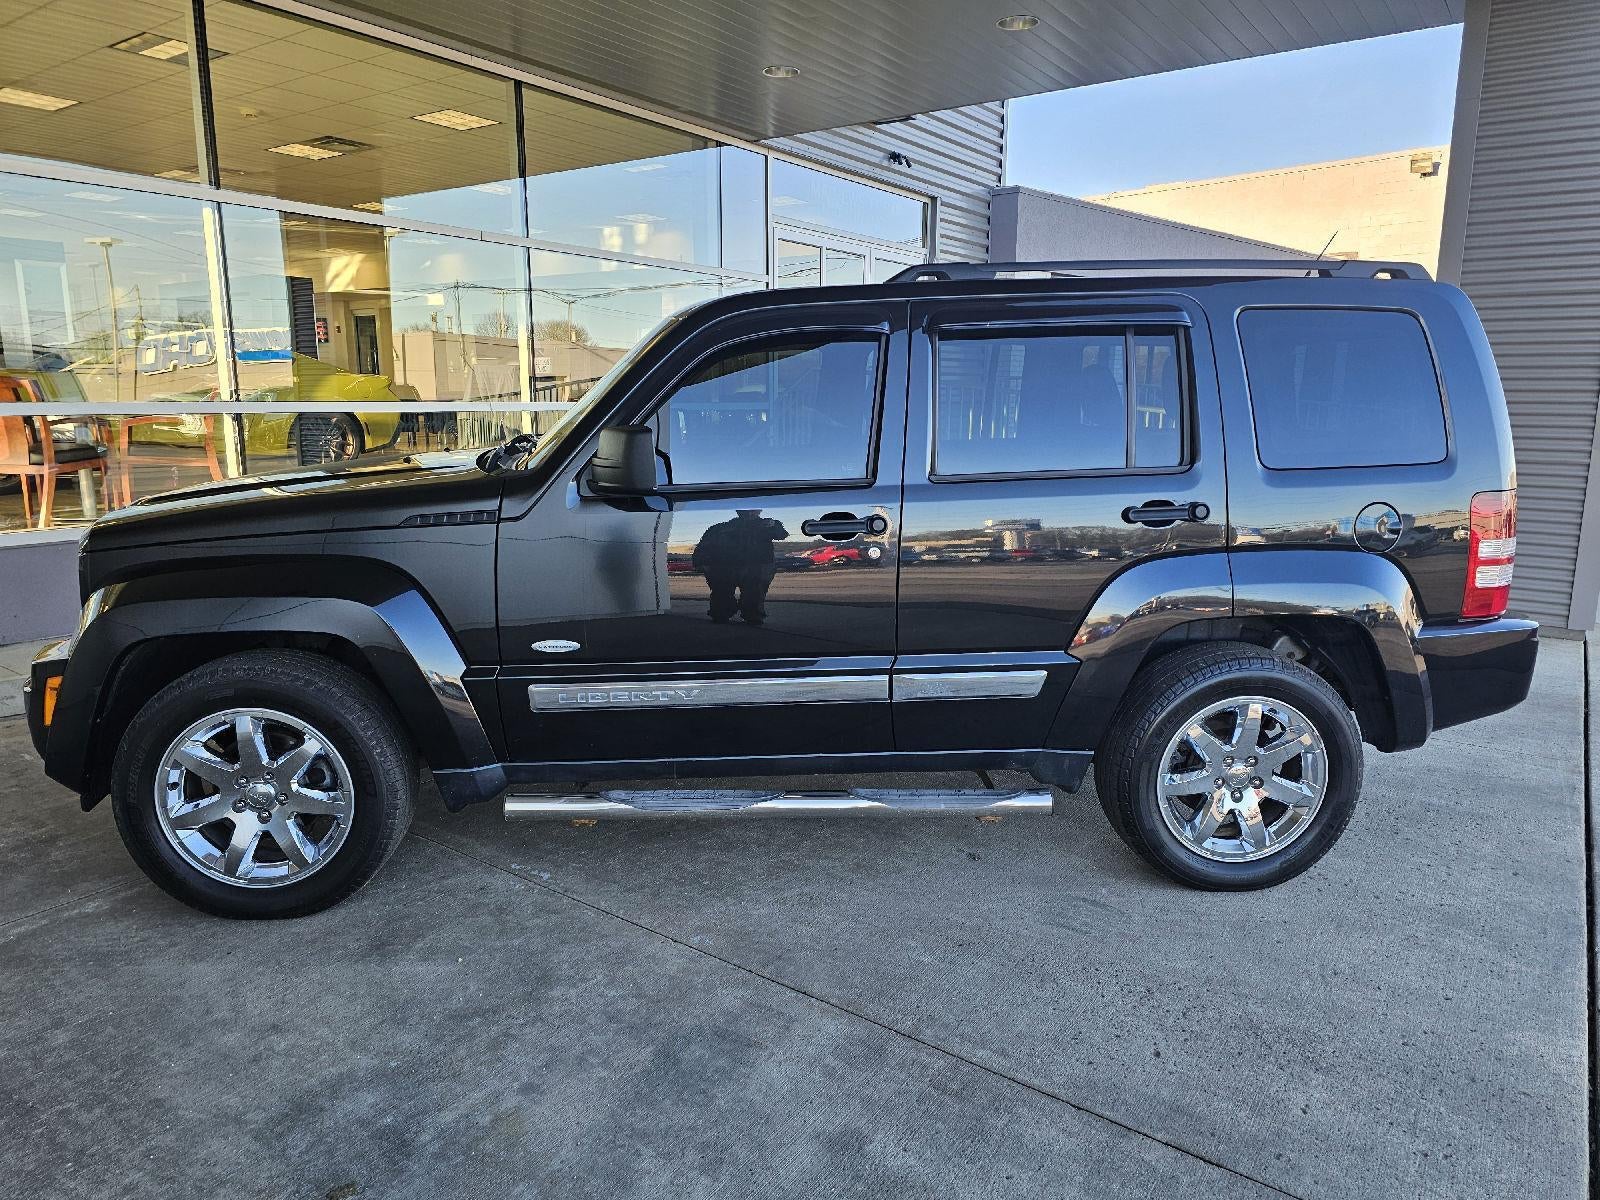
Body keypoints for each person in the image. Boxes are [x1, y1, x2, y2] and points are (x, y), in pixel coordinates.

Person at [691, 509, 789, 625]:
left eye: (754, 510)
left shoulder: (767, 525)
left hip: (756, 568)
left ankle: (752, 616)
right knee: (722, 594)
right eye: (745, 510)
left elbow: (781, 534)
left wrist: (773, 525)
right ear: (738, 511)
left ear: (759, 511)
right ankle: (722, 615)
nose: (749, 513)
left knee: (754, 594)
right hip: (725, 567)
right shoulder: (721, 528)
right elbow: (704, 546)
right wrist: (702, 562)